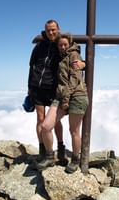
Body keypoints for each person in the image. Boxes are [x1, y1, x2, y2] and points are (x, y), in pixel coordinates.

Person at [28, 20, 84, 164]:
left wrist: (84, 64)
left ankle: (60, 147)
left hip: (54, 88)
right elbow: (31, 66)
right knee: (40, 119)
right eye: (48, 30)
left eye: (53, 29)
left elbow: (74, 52)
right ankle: (44, 150)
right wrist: (30, 87)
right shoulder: (39, 46)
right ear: (45, 31)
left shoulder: (61, 44)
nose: (51, 32)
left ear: (58, 29)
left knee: (55, 121)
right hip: (38, 87)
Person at [37, 33, 89, 173]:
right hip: (61, 97)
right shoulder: (61, 57)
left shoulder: (74, 56)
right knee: (46, 126)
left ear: (70, 44)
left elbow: (74, 80)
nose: (63, 46)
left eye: (65, 44)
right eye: (60, 44)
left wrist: (84, 64)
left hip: (77, 96)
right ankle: (49, 156)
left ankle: (75, 160)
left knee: (74, 131)